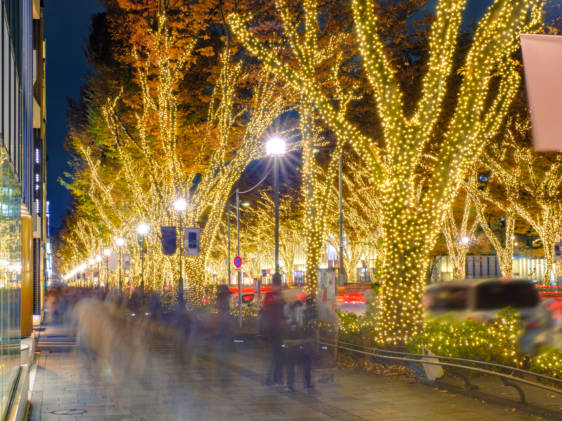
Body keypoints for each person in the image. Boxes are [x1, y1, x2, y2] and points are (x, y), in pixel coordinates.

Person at [285, 297, 316, 391]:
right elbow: (310, 331)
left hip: (293, 346)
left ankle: (290, 385)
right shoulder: (306, 316)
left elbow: (286, 333)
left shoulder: (289, 320)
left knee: (291, 365)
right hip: (304, 345)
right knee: (306, 364)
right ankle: (307, 383)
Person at [262, 285, 285, 386]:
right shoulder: (273, 300)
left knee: (276, 357)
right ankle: (275, 379)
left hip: (274, 333)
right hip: (276, 332)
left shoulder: (270, 299)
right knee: (276, 357)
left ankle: (274, 379)